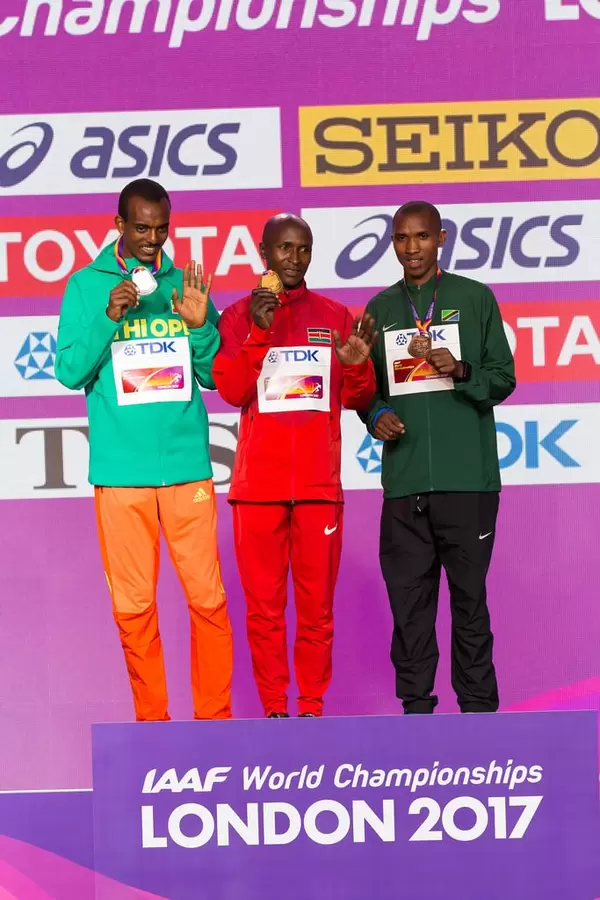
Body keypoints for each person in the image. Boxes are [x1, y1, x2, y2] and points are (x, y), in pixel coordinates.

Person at [55, 178, 233, 722]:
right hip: (121, 474)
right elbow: (67, 371)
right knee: (134, 611)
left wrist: (201, 329)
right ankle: (152, 729)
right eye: (141, 228)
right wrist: (109, 318)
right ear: (118, 226)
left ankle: (215, 725)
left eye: (161, 228)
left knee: (208, 603)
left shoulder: (186, 284)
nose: (153, 239)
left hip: (186, 472)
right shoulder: (86, 286)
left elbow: (215, 378)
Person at [212, 214, 376, 718]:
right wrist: (260, 334)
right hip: (256, 489)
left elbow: (357, 396)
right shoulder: (239, 315)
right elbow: (232, 390)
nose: (294, 258)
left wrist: (355, 363)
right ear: (263, 252)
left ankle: (309, 707)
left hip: (317, 488)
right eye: (284, 248)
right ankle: (273, 710)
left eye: (303, 249)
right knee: (263, 613)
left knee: (316, 612)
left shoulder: (332, 314)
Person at [360, 200, 515, 715]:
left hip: (467, 479)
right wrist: (374, 413)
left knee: (469, 604)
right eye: (402, 239)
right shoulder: (379, 309)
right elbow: (366, 390)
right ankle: (417, 713)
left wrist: (463, 369)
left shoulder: (474, 298)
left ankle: (477, 714)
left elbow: (504, 378)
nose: (412, 248)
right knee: (410, 608)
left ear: (441, 238)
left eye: (422, 237)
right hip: (404, 482)